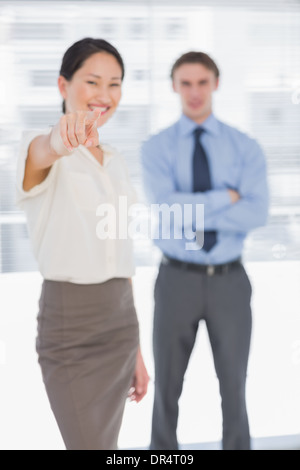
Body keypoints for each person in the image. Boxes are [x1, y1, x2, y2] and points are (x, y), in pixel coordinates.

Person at [16, 37, 149, 450]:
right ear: (62, 85)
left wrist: (138, 351)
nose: (104, 95)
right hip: (70, 326)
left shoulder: (115, 161)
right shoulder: (38, 146)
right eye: (92, 81)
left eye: (115, 84)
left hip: (121, 322)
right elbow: (44, 151)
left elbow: (121, 255)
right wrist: (61, 138)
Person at [141, 51, 269, 450]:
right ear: (174, 87)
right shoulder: (156, 147)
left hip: (229, 280)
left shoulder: (245, 146)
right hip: (176, 277)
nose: (194, 92)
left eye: (201, 82)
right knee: (167, 388)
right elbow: (164, 209)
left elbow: (256, 212)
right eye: (185, 83)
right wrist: (226, 198)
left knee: (234, 385)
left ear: (216, 83)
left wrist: (191, 206)